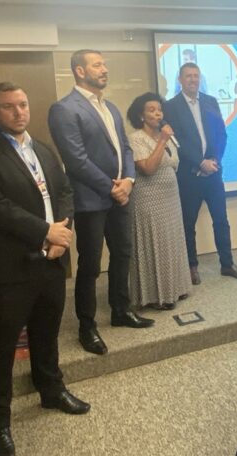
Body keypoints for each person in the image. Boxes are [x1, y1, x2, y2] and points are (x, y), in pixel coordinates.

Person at [0, 82, 90, 456]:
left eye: (23, 104)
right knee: (1, 347)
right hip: (5, 268)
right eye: (8, 107)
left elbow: (64, 192)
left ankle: (51, 390)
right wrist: (45, 231)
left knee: (46, 332)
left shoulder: (43, 149)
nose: (19, 112)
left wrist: (62, 234)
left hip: (50, 259)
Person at [48, 49, 154, 357]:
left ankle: (121, 310)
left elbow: (126, 149)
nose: (104, 69)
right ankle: (87, 326)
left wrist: (129, 180)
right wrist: (112, 188)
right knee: (91, 264)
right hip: (91, 200)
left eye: (104, 64)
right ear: (80, 71)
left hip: (121, 194)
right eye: (97, 65)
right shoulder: (64, 109)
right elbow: (76, 160)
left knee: (122, 253)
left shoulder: (111, 108)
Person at [163, 62, 237, 285]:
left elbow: (222, 135)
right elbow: (176, 141)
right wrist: (199, 162)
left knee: (221, 220)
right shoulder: (171, 107)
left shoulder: (211, 102)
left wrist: (214, 161)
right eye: (188, 76)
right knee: (188, 223)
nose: (193, 79)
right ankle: (192, 267)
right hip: (189, 176)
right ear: (180, 80)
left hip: (213, 174)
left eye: (196, 75)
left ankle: (227, 264)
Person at [125, 92, 191, 309]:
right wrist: (162, 140)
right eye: (151, 110)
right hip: (148, 200)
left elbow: (174, 164)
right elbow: (148, 168)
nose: (158, 114)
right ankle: (155, 296)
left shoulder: (168, 136)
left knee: (171, 241)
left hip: (170, 199)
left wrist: (164, 139)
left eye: (159, 110)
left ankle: (175, 288)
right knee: (155, 243)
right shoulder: (136, 138)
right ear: (141, 116)